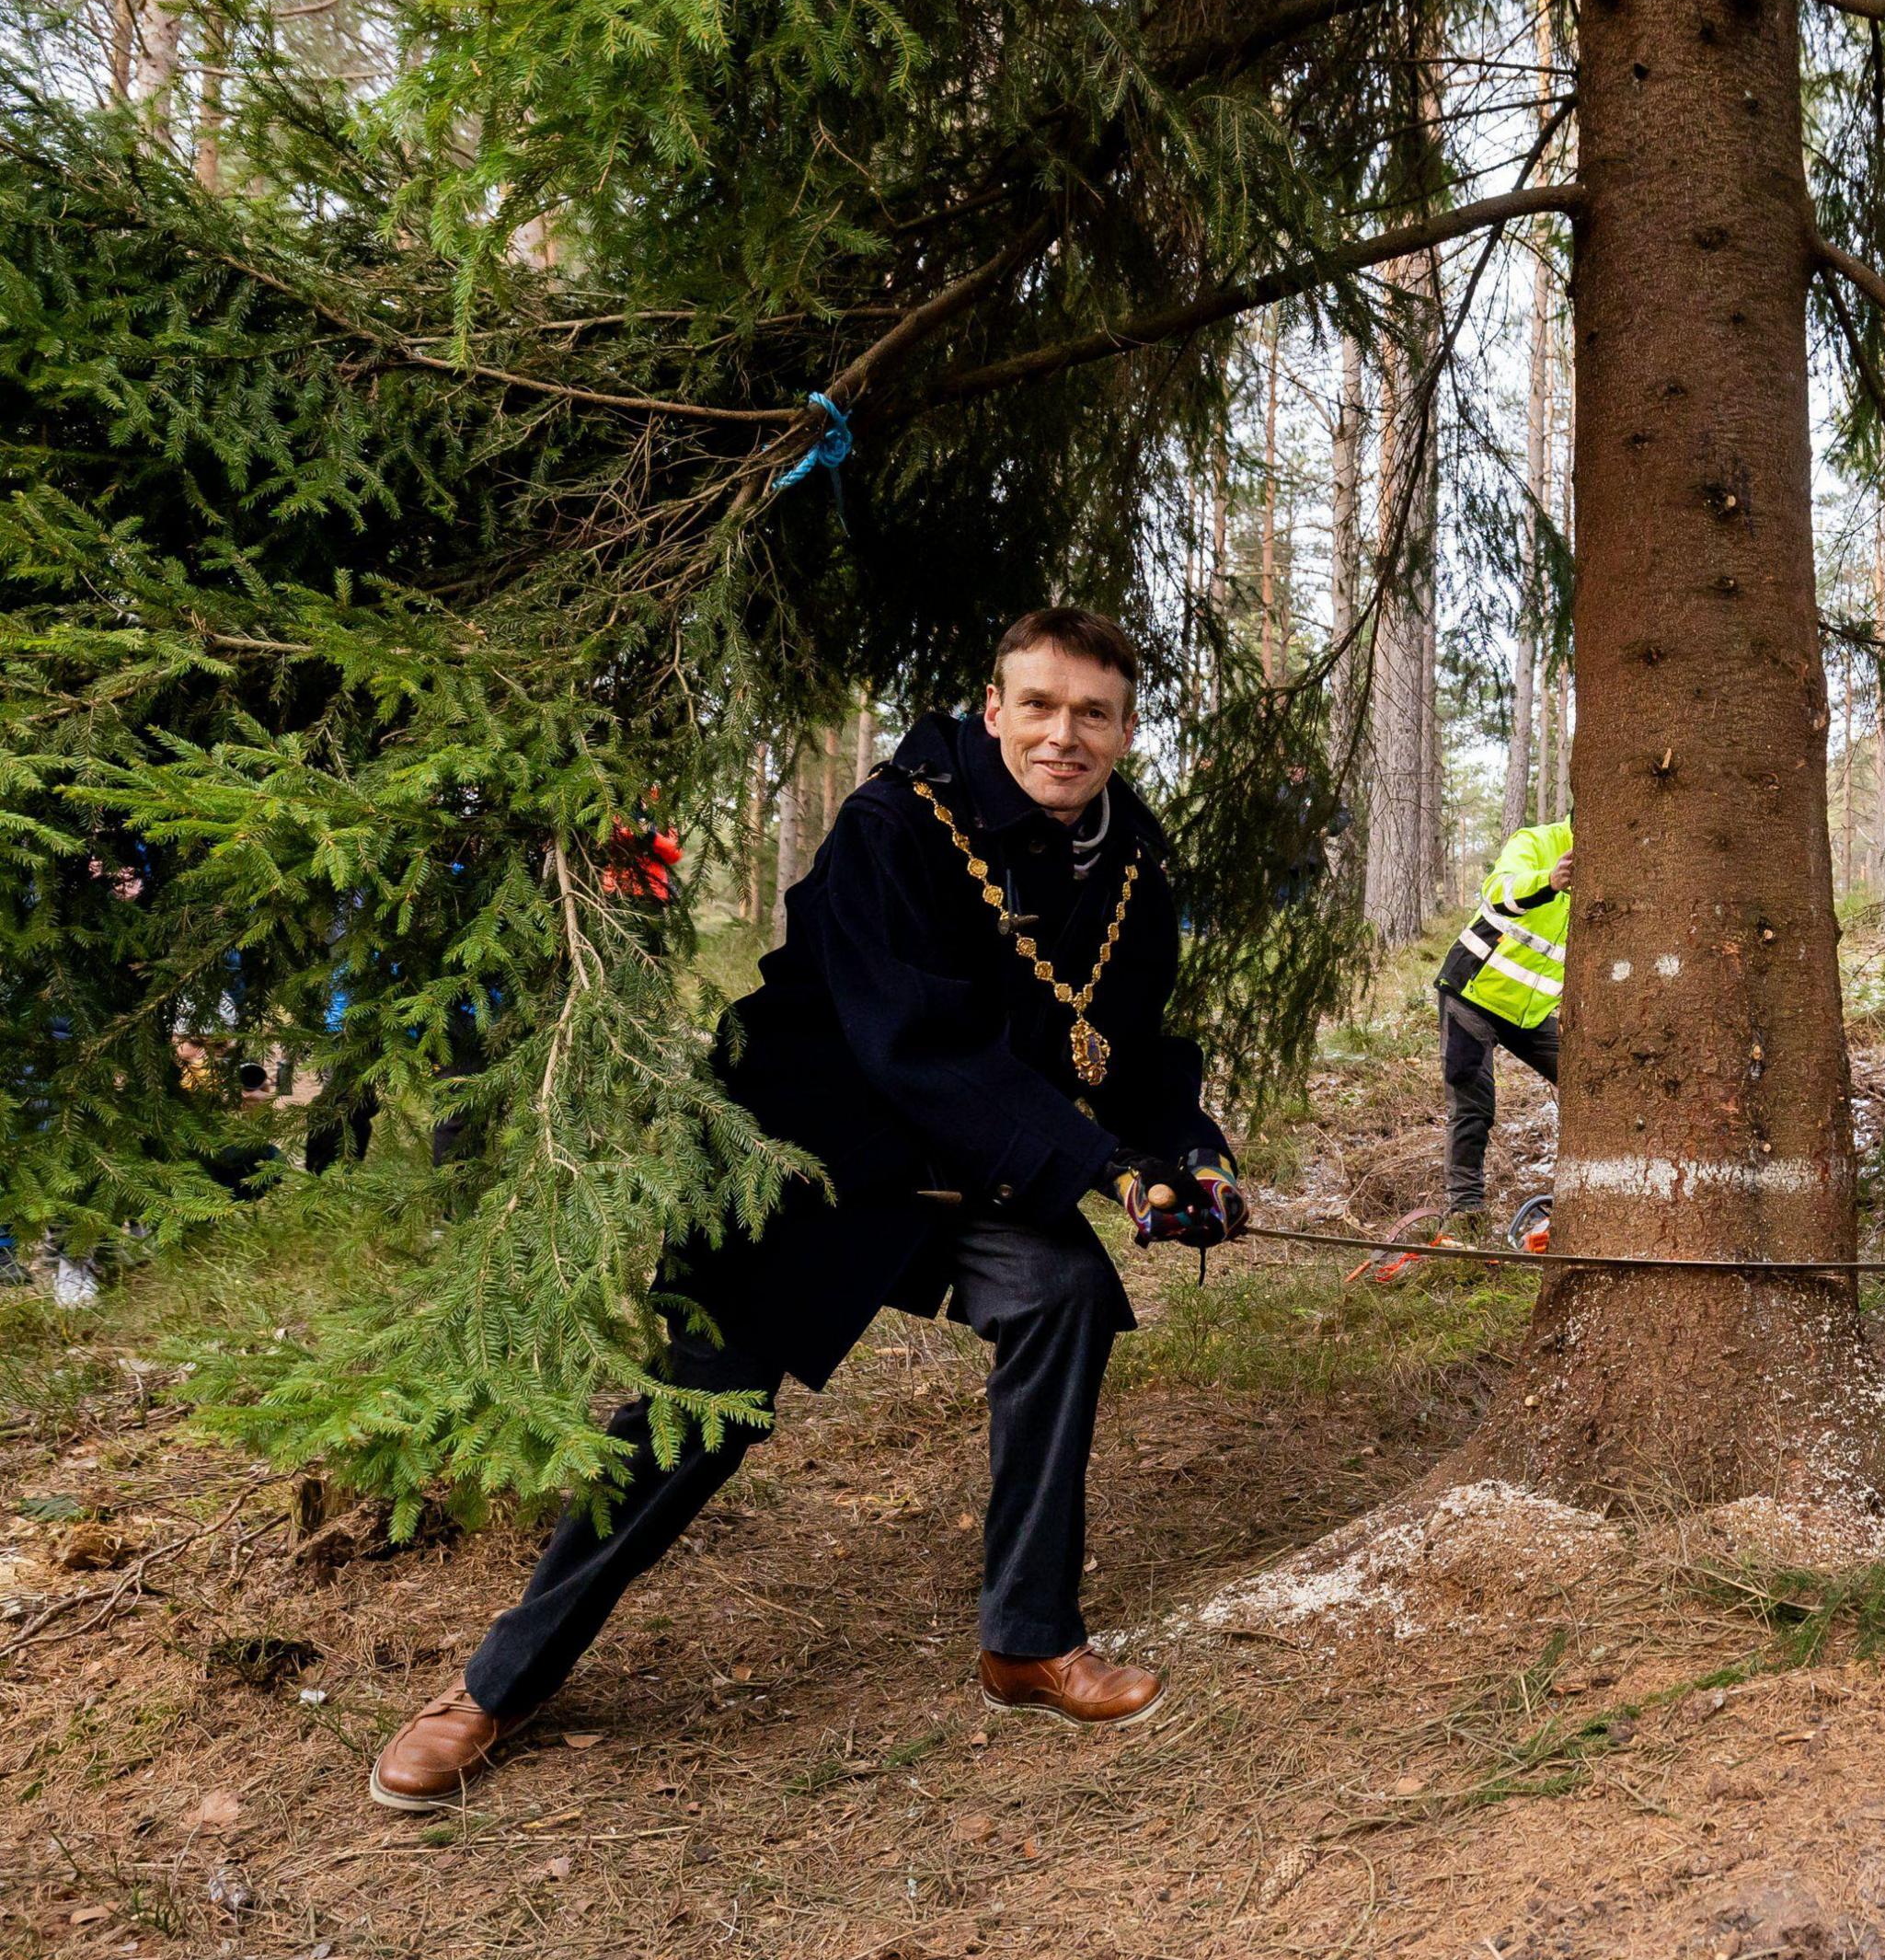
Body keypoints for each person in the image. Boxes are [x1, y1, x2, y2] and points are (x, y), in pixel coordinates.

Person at [369, 607, 1249, 1810]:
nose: (1063, 735)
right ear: (992, 711)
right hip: (812, 1156)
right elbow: (915, 1046)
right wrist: (1101, 1168)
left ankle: (1028, 1641)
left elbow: (1131, 1050)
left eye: (1091, 712)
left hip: (979, 1166)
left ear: (1125, 728)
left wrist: (1186, 1156)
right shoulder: (895, 825)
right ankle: (496, 1685)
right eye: (1037, 706)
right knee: (699, 1413)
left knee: (1062, 1296)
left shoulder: (1135, 863)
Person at [1370, 819, 1571, 1276]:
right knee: (1473, 1102)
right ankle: (1468, 1216)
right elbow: (1498, 890)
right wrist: (1550, 880)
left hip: (1532, 1013)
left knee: (1587, 1084)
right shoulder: (1538, 841)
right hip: (1472, 992)